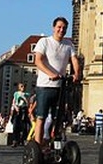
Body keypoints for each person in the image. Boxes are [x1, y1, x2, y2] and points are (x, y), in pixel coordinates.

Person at [33, 16, 81, 146]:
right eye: (59, 27)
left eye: (64, 28)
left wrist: (76, 73)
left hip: (60, 86)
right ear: (54, 28)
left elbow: (75, 60)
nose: (61, 30)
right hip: (45, 85)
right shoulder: (44, 42)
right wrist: (51, 74)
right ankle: (38, 145)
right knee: (41, 117)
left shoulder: (68, 44)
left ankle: (54, 143)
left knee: (58, 118)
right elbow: (38, 60)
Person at [11, 82, 30, 147]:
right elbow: (14, 102)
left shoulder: (27, 94)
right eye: (21, 86)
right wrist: (15, 107)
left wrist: (24, 98)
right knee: (15, 125)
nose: (23, 88)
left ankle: (22, 140)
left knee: (24, 126)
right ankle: (15, 140)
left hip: (24, 109)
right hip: (17, 109)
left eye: (24, 86)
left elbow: (28, 103)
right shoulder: (16, 93)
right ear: (19, 87)